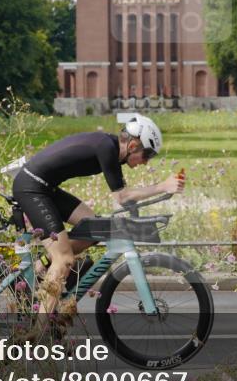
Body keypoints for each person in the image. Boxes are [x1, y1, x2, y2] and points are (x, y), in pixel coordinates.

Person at [11, 115, 184, 329]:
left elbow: (126, 199)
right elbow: (122, 197)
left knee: (92, 227)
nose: (146, 161)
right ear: (132, 145)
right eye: (146, 154)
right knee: (64, 259)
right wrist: (162, 186)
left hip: (44, 187)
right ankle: (38, 332)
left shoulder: (110, 150)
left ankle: (39, 268)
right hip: (31, 187)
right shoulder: (106, 148)